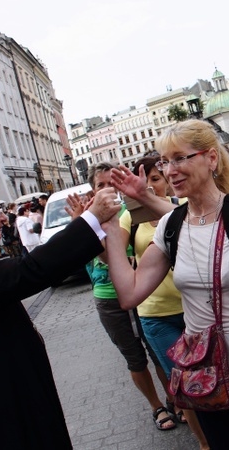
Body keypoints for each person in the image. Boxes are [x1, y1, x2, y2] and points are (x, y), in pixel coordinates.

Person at [105, 120, 229, 450]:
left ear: (211, 159)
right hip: (206, 375)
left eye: (180, 158)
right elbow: (130, 294)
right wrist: (111, 230)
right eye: (165, 161)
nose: (171, 170)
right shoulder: (171, 224)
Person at [0, 179, 120, 449]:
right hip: (1, 396)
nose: (4, 218)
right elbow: (29, 271)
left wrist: (79, 226)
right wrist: (90, 219)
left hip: (4, 383)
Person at [68, 162, 181, 434]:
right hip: (109, 297)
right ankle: (157, 406)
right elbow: (106, 258)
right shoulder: (87, 218)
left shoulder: (130, 209)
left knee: (158, 354)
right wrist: (85, 229)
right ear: (92, 190)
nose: (108, 190)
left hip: (144, 292)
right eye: (101, 185)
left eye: (113, 183)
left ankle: (176, 400)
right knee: (135, 358)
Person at [122, 156, 209, 449]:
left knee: (211, 377)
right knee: (186, 385)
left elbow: (200, 232)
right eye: (143, 182)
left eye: (155, 179)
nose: (149, 186)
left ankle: (224, 432)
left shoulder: (181, 208)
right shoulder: (128, 217)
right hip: (156, 315)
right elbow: (106, 253)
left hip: (194, 309)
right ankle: (204, 443)